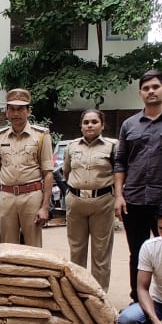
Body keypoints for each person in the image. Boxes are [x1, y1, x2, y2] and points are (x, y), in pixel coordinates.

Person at [114, 70, 162, 302]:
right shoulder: (129, 124)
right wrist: (119, 195)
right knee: (138, 253)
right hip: (134, 200)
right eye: (146, 89)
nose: (151, 91)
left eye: (155, 87)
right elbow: (120, 162)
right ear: (140, 94)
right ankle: (138, 302)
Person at [0, 88, 54, 247]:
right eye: (12, 109)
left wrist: (45, 207)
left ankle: (35, 273)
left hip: (32, 196)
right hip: (7, 197)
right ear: (7, 112)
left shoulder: (41, 136)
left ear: (28, 111)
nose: (16, 113)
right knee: (8, 248)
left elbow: (48, 174)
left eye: (20, 109)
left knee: (33, 247)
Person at [62, 109, 117, 291]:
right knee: (76, 250)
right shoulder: (72, 147)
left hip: (102, 202)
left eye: (94, 122)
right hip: (76, 202)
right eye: (86, 122)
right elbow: (67, 172)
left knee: (101, 252)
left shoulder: (112, 146)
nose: (90, 125)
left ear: (102, 125)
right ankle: (78, 293)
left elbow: (119, 174)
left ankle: (98, 296)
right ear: (81, 125)